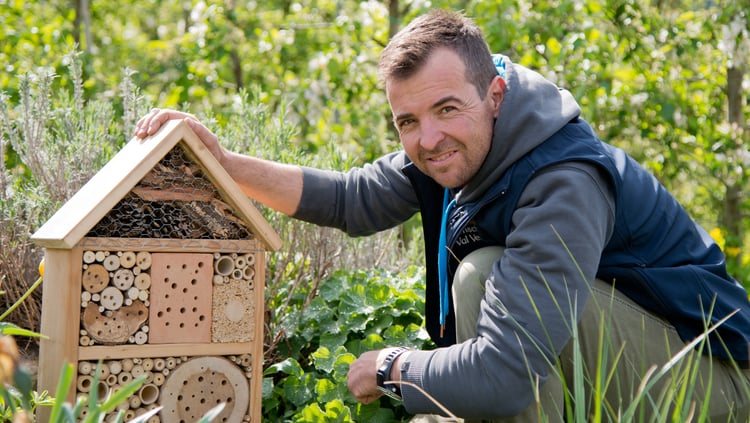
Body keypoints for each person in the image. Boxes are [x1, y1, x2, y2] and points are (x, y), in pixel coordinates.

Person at [135, 9, 750, 422]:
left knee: (484, 276)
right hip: (622, 360)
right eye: (408, 121)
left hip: (716, 384)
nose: (428, 139)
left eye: (447, 110)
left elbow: (508, 374)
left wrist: (394, 368)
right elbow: (352, 198)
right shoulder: (463, 149)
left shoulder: (562, 180)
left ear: (496, 95)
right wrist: (221, 161)